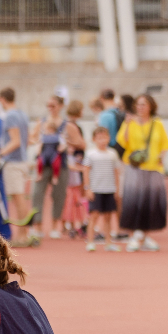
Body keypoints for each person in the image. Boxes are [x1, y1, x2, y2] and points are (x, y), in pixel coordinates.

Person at [116, 93, 168, 252]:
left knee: (151, 203)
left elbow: (165, 145)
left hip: (154, 168)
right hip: (135, 167)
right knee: (133, 201)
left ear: (151, 106)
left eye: (143, 104)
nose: (140, 107)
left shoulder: (157, 123)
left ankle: (145, 236)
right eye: (138, 104)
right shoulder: (130, 122)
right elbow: (123, 142)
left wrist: (161, 157)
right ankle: (134, 235)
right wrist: (126, 124)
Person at [28, 94, 84, 243]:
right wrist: (38, 141)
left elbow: (81, 143)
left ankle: (54, 227)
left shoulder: (68, 126)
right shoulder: (41, 123)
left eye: (53, 105)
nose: (50, 108)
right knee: (37, 193)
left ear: (60, 106)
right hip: (42, 163)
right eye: (48, 105)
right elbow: (31, 138)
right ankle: (37, 226)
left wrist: (68, 142)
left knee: (59, 195)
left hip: (60, 164)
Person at [0, 88, 32, 246]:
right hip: (22, 160)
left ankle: (23, 235)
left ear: (2, 99)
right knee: (19, 197)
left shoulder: (10, 116)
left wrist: (0, 154)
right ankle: (23, 234)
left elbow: (15, 141)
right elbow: (26, 139)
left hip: (14, 161)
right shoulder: (22, 114)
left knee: (18, 198)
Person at [82, 126, 123, 252]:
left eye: (105, 137)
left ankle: (108, 242)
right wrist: (87, 188)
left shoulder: (112, 154)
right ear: (94, 139)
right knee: (93, 216)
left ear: (109, 138)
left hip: (109, 189)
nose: (102, 140)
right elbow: (86, 171)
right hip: (96, 190)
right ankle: (90, 242)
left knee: (108, 217)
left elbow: (116, 172)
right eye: (99, 138)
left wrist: (116, 189)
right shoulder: (90, 154)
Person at [60, 100, 89, 238]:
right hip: (74, 162)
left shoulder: (67, 124)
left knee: (73, 195)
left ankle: (72, 223)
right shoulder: (72, 125)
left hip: (75, 161)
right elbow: (82, 144)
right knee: (74, 195)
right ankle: (72, 223)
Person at [96, 89, 125, 158]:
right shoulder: (120, 112)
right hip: (122, 148)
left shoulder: (104, 115)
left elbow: (102, 134)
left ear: (101, 98)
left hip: (110, 149)